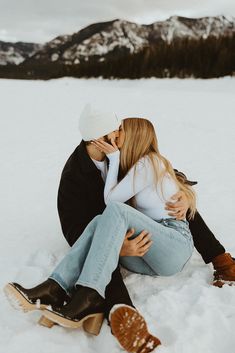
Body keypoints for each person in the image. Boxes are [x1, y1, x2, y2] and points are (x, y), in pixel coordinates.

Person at [4, 106, 235, 352]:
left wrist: (186, 196)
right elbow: (74, 228)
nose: (119, 136)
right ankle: (71, 291)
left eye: (120, 131)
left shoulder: (126, 156)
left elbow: (166, 174)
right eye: (115, 132)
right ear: (100, 139)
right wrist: (118, 245)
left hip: (163, 241)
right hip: (130, 245)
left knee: (118, 213)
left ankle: (222, 261)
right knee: (101, 227)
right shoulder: (74, 175)